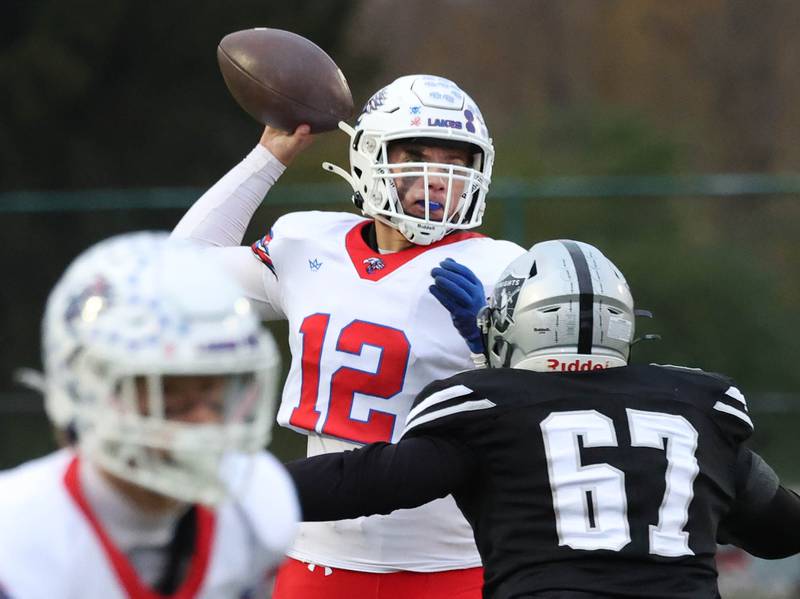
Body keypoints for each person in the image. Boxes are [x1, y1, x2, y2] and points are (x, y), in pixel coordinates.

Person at [171, 74, 525, 597]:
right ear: (370, 157)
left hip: (452, 564)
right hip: (316, 559)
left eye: (455, 159)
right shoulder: (309, 242)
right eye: (415, 154)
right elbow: (178, 276)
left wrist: (486, 349)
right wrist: (267, 158)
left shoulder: (505, 269)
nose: (437, 175)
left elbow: (544, 415)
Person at [286, 239, 800, 599]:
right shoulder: (695, 409)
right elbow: (781, 531)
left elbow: (368, 482)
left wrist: (245, 483)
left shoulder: (488, 410)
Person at [0, 232, 299, 598]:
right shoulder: (14, 541)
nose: (204, 420)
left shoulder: (256, 506)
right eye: (168, 394)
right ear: (86, 389)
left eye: (212, 389)